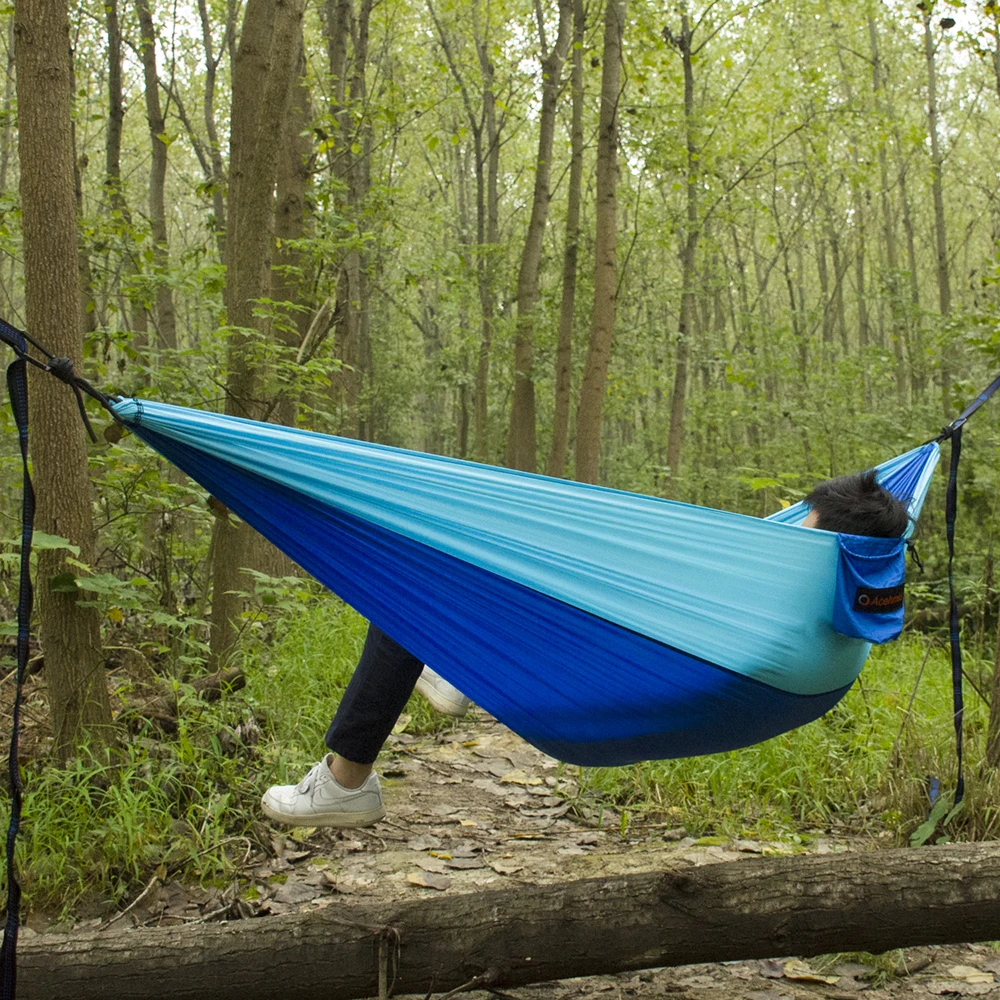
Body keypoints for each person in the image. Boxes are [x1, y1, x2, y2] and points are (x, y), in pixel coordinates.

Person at [260, 468, 911, 828]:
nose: (795, 527)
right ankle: (461, 665)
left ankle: (348, 780)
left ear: (827, 544)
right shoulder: (849, 616)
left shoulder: (778, 589)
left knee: (405, 594)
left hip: (631, 683)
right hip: (683, 667)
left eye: (807, 523)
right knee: (464, 595)